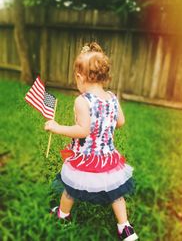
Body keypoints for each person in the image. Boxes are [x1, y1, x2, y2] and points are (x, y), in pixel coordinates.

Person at [44, 42, 138, 241]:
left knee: (71, 187)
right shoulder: (112, 97)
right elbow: (120, 122)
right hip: (107, 157)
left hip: (85, 157)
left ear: (79, 77)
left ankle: (63, 215)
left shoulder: (82, 100)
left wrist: (56, 127)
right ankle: (125, 227)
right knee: (115, 192)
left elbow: (82, 130)